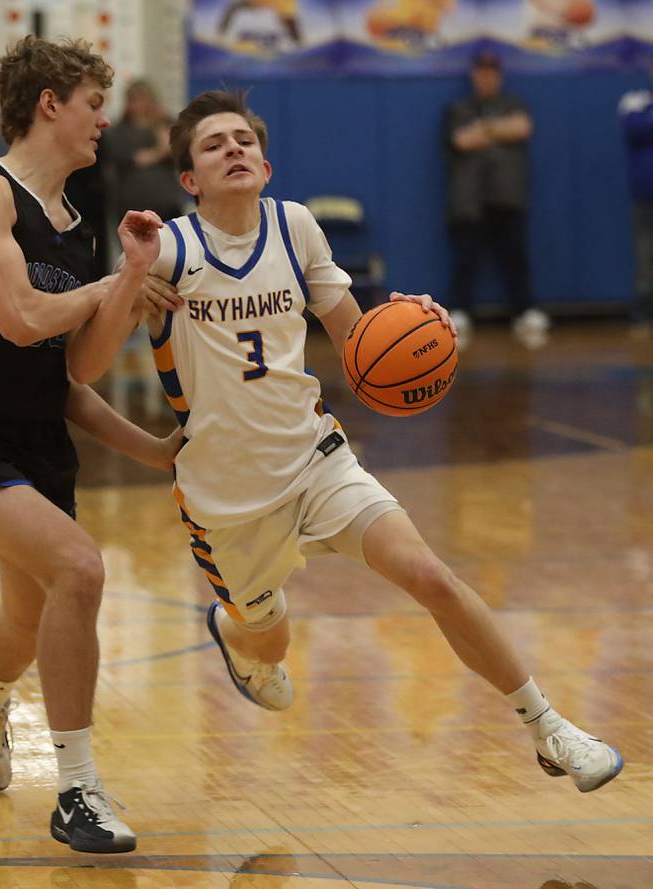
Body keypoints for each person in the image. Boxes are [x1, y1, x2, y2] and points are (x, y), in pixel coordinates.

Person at [71, 89, 623, 796]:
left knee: (431, 576)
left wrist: (412, 326)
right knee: (268, 639)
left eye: (243, 140)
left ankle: (549, 728)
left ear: (266, 165)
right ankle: (237, 633)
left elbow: (362, 351)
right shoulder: (168, 247)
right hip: (227, 498)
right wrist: (132, 278)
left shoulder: (295, 227)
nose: (233, 149)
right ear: (189, 180)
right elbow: (85, 367)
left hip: (316, 459)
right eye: (214, 145)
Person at [0, 36, 174, 854]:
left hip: (37, 443)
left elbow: (77, 369)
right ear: (50, 102)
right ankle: (78, 790)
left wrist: (126, 287)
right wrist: (107, 288)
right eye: (94, 103)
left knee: (25, 617)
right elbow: (20, 318)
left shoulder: (77, 226)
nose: (105, 121)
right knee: (80, 567)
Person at [444, 49, 549, 344]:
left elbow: (521, 127)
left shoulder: (513, 103)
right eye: (482, 71)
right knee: (465, 259)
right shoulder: (458, 107)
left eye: (492, 72)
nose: (486, 77)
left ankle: (525, 310)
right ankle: (461, 310)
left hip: (507, 197)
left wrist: (485, 128)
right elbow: (462, 140)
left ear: (499, 75)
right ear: (474, 74)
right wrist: (498, 130)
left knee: (515, 257)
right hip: (469, 200)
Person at [100, 80, 184, 272]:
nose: (139, 105)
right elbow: (136, 159)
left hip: (167, 205)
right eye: (134, 100)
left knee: (172, 260)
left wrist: (161, 132)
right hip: (132, 206)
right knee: (138, 261)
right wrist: (158, 152)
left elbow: (176, 151)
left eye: (143, 100)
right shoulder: (118, 132)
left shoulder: (164, 126)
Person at [618, 69, 653, 336]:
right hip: (645, 193)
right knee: (644, 253)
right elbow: (636, 128)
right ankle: (643, 311)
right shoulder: (635, 100)